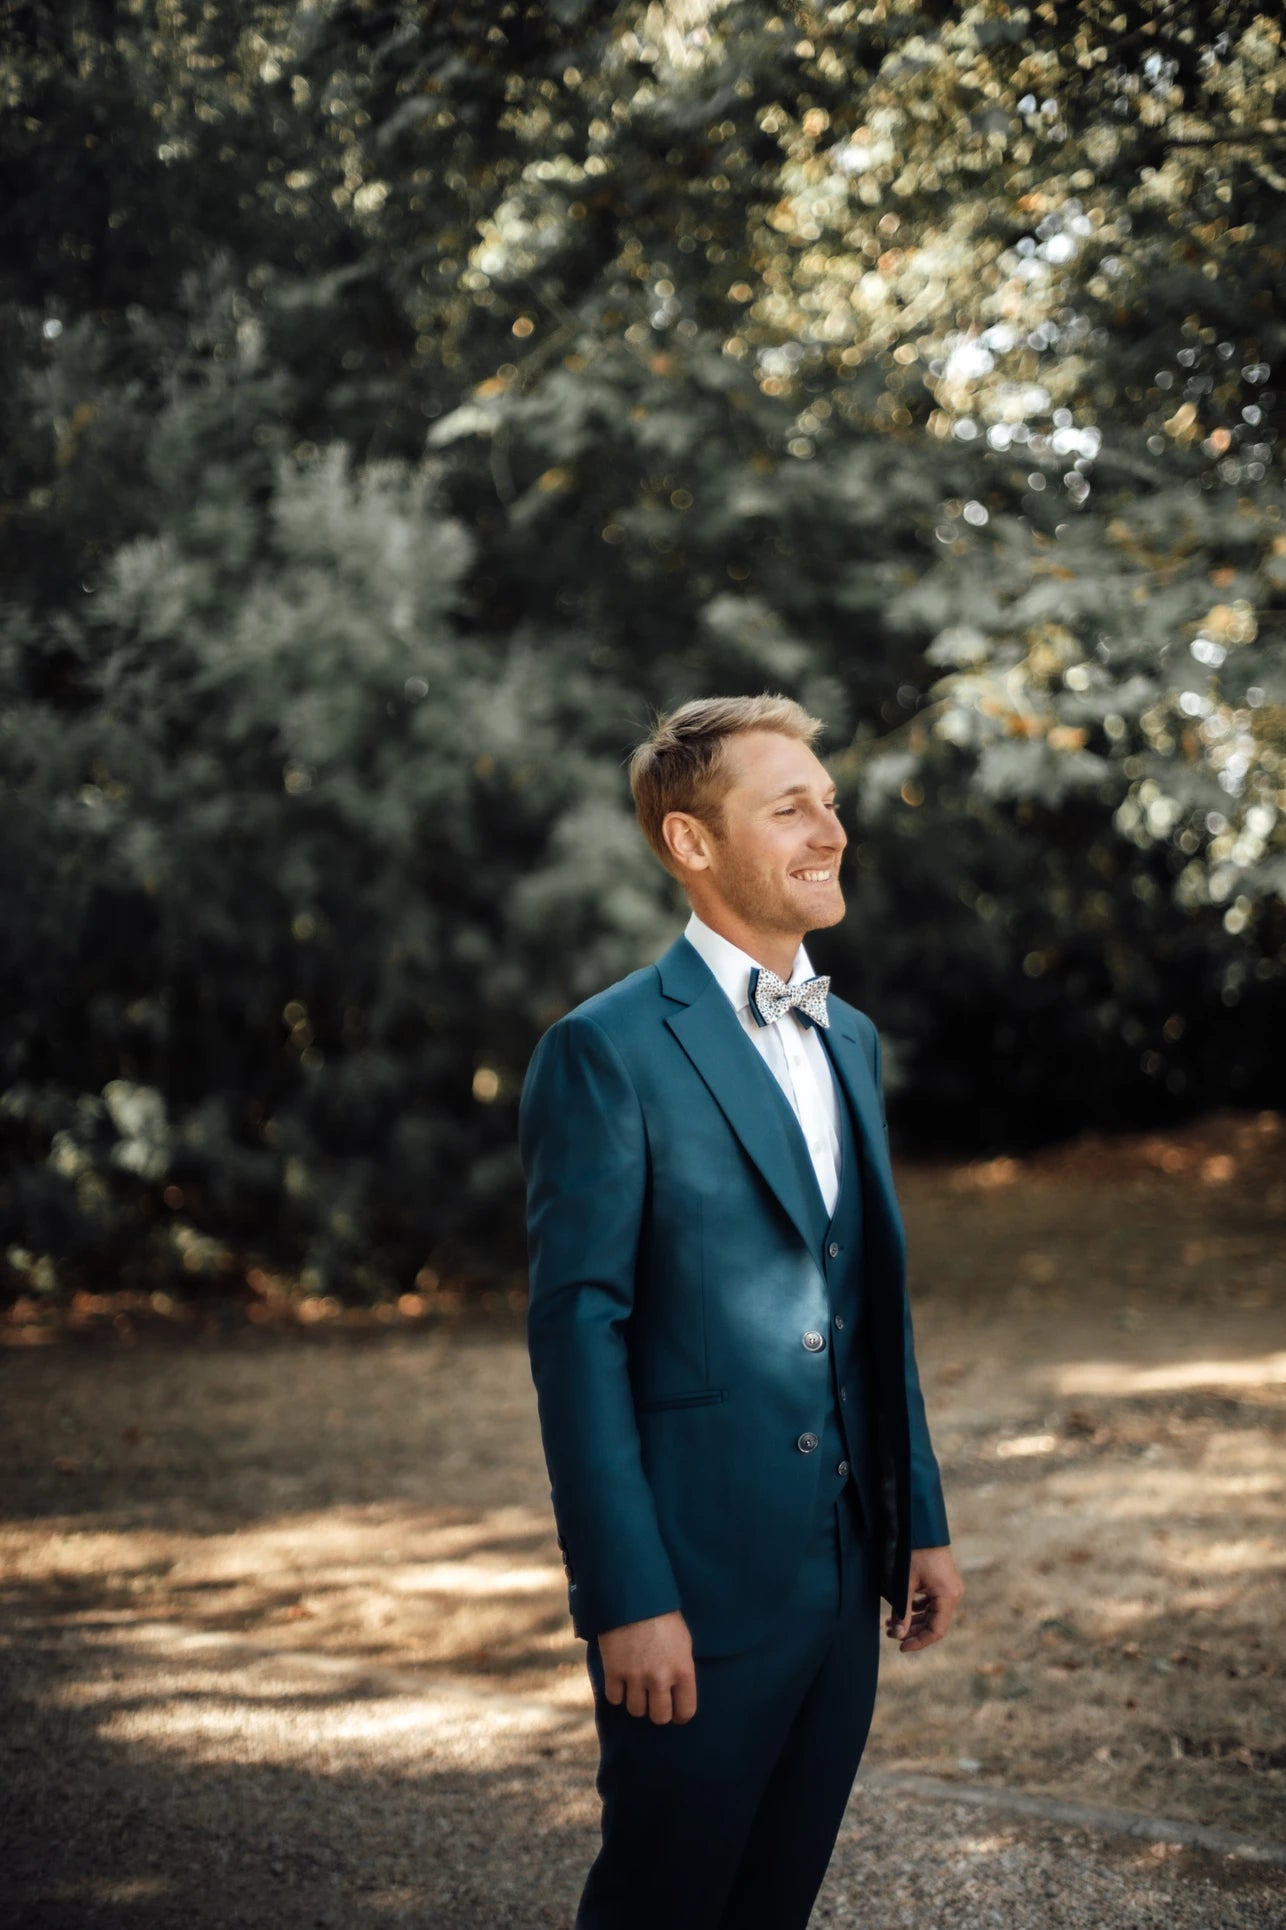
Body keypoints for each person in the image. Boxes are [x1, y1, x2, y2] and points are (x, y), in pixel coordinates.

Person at [519, 694, 963, 1929]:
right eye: (789, 807)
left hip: (841, 1582)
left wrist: (913, 1514)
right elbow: (577, 1341)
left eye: (827, 800)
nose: (829, 829)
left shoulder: (851, 1040)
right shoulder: (602, 1051)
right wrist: (624, 1596)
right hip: (690, 1590)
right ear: (691, 844)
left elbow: (872, 1304)